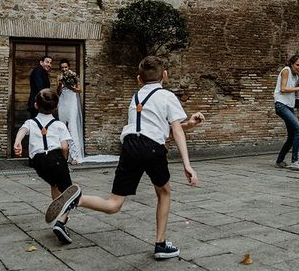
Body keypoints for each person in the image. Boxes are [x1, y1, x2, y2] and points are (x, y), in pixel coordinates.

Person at [44, 55, 200, 260]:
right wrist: (187, 164)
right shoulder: (167, 96)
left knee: (113, 204)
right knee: (164, 193)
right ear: (165, 75)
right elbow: (175, 131)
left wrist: (189, 123)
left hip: (130, 147)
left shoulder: (136, 98)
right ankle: (161, 244)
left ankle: (77, 200)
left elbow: (156, 128)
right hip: (152, 148)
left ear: (139, 79)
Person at [14, 88, 78, 244]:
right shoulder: (59, 125)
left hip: (38, 163)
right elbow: (64, 147)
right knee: (71, 194)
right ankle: (61, 223)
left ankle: (58, 210)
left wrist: (17, 142)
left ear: (36, 105)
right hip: (56, 158)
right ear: (55, 108)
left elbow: (23, 130)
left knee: (54, 184)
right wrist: (64, 161)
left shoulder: (31, 122)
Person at [274, 54, 299, 171]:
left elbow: (295, 90)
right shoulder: (286, 70)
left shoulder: (296, 75)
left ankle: (279, 161)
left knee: (292, 136)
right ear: (291, 64)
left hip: (289, 106)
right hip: (281, 105)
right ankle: (295, 161)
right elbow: (283, 89)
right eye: (297, 65)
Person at [57, 59, 84, 165]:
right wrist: (60, 83)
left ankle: (75, 156)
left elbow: (80, 90)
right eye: (62, 67)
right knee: (62, 127)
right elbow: (58, 92)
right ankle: (64, 155)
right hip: (62, 103)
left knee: (72, 127)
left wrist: (71, 87)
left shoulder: (74, 75)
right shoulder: (59, 76)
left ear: (68, 67)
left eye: (66, 67)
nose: (64, 69)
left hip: (72, 102)